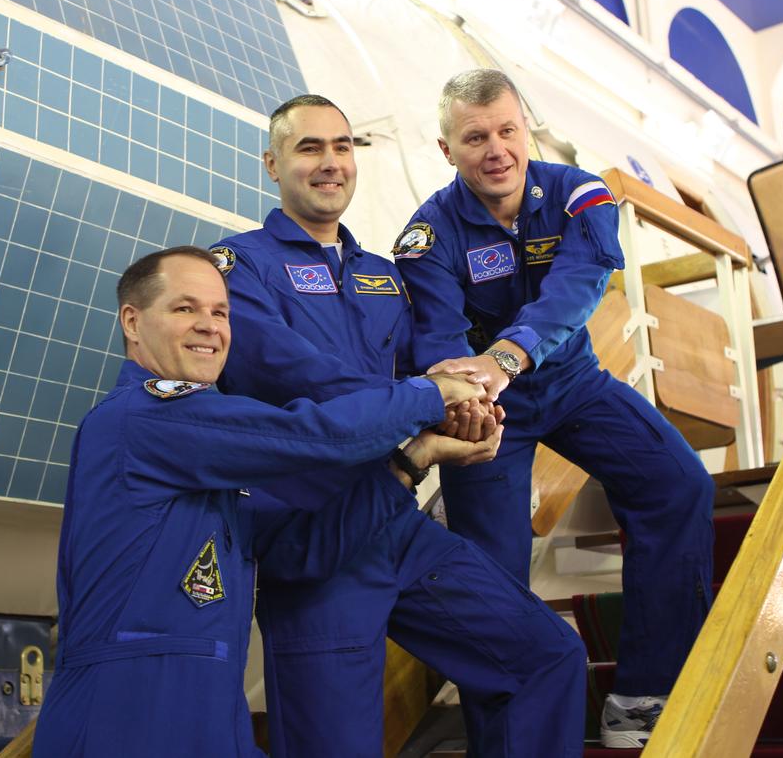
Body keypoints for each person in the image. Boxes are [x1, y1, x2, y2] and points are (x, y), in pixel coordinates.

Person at [212, 96, 586, 758]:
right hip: (314, 539)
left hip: (396, 520)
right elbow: (298, 376)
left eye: (342, 146)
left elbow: (431, 367)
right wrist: (425, 400)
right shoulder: (238, 270)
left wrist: (472, 413)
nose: (331, 162)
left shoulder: (384, 276)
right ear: (272, 164)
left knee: (545, 654)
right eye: (309, 148)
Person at [32, 246, 493, 758]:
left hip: (211, 719)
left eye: (221, 312)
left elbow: (303, 549)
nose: (210, 326)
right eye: (185, 308)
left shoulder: (211, 468)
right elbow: (316, 436)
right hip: (123, 722)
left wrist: (414, 459)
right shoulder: (143, 419)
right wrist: (431, 393)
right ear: (133, 322)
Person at [395, 68, 716, 748]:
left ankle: (644, 693)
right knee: (494, 575)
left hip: (574, 385)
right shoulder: (427, 235)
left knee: (678, 483)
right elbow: (439, 338)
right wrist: (469, 401)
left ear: (527, 130)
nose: (496, 149)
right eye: (475, 136)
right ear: (447, 149)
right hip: (487, 412)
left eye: (507, 130)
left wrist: (509, 355)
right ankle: (499, 741)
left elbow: (578, 285)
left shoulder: (579, 194)